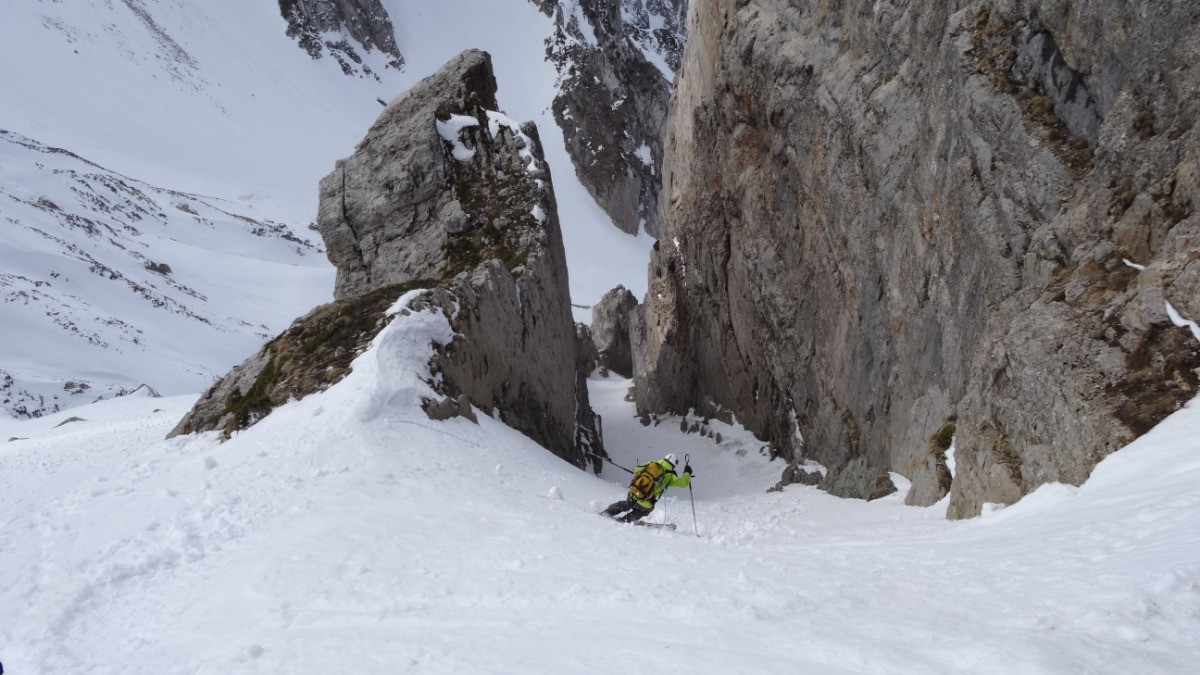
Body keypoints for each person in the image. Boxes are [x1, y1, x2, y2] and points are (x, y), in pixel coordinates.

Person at [602, 453, 693, 523]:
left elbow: (636, 471)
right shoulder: (669, 476)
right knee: (644, 510)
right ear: (673, 465)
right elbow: (684, 483)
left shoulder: (651, 464)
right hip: (646, 500)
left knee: (626, 504)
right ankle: (625, 520)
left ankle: (607, 512)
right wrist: (687, 472)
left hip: (634, 492)